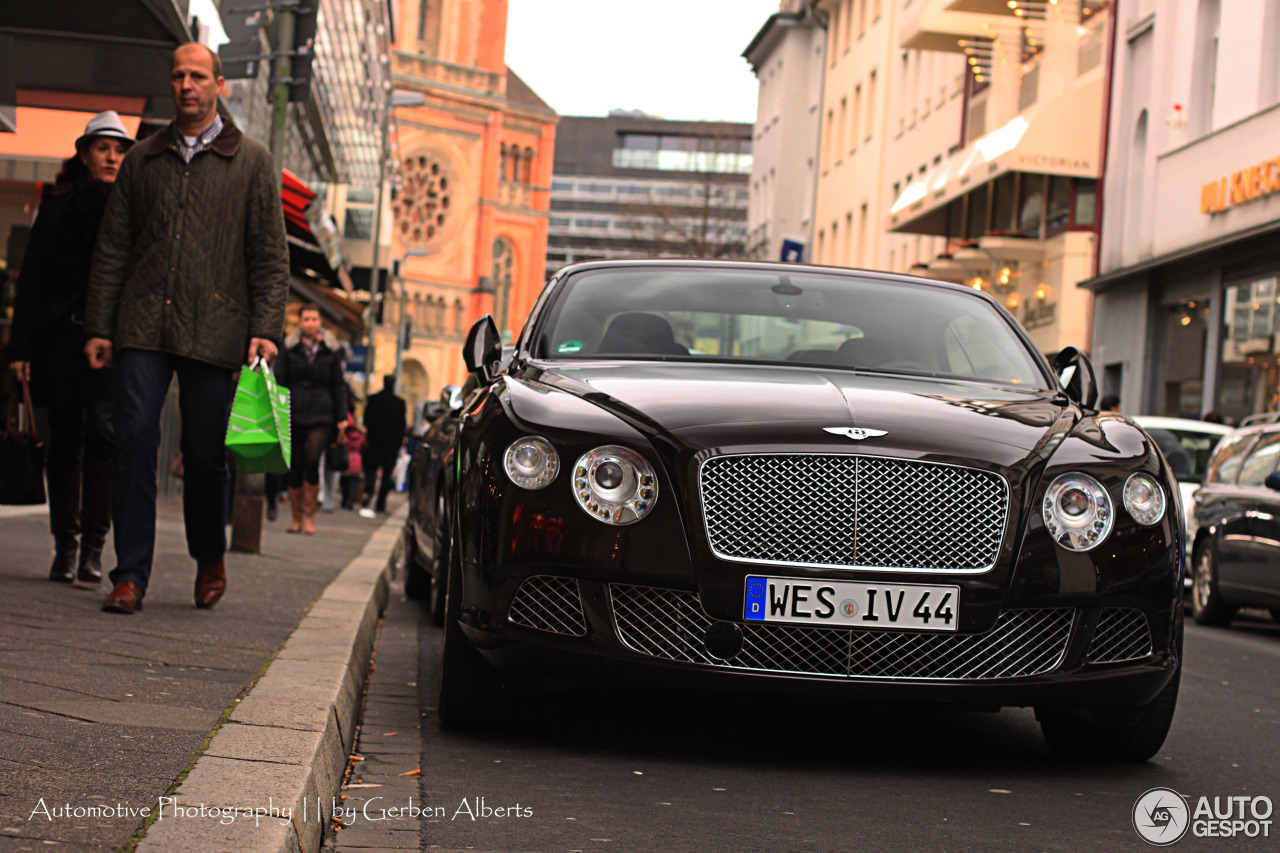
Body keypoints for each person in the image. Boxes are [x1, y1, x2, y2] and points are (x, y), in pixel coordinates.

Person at [84, 43, 288, 614]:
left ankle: (209, 555)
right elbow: (114, 247)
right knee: (132, 442)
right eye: (177, 76)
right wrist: (101, 324)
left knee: (202, 456)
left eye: (197, 75)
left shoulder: (251, 160)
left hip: (215, 322)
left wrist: (266, 327)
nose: (186, 85)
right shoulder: (144, 159)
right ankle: (129, 575)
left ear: (218, 84)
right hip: (142, 321)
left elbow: (269, 255)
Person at [8, 112, 133, 585]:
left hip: (112, 341)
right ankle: (66, 544)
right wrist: (19, 349)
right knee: (64, 440)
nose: (112, 157)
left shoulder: (131, 208)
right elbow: (33, 279)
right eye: (103, 148)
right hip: (59, 339)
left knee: (103, 433)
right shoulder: (57, 207)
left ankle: (94, 548)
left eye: (120, 150)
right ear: (83, 154)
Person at [273, 304, 347, 534]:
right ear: (300, 322)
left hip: (321, 411)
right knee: (294, 463)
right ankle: (296, 518)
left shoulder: (331, 349)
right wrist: (278, 410)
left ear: (320, 322)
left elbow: (338, 384)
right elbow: (280, 379)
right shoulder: (289, 348)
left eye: (314, 319)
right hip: (294, 409)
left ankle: (309, 517)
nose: (310, 323)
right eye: (306, 319)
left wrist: (342, 417)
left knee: (313, 460)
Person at [361, 374, 406, 516]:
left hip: (374, 440)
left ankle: (368, 492)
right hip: (390, 444)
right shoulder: (399, 403)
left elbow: (366, 420)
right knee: (387, 474)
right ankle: (380, 503)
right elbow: (401, 425)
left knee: (371, 469)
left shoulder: (373, 400)